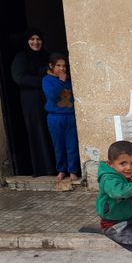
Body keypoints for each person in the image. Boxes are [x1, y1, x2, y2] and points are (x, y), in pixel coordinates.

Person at [10, 28, 56, 177]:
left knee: (52, 131)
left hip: (49, 99)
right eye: (32, 39)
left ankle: (57, 167)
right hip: (32, 102)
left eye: (38, 39)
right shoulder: (21, 58)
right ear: (27, 41)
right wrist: (44, 81)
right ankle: (44, 169)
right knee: (38, 131)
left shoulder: (47, 56)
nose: (35, 42)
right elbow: (19, 78)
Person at [42, 52, 81, 182]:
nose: (62, 68)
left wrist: (65, 80)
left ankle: (73, 171)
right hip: (54, 117)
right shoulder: (47, 80)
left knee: (72, 144)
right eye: (58, 65)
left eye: (64, 66)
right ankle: (61, 170)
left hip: (70, 116)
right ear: (51, 66)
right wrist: (61, 82)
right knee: (58, 145)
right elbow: (52, 95)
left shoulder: (70, 79)